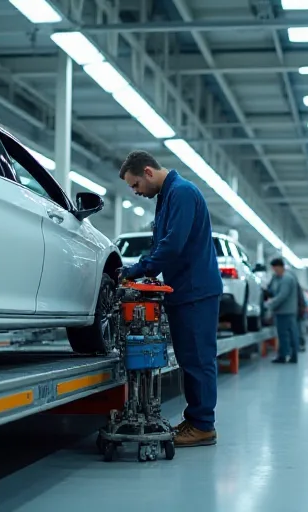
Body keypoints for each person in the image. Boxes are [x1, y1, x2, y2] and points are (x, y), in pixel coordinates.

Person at [117, 150, 222, 448]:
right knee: (190, 358)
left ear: (148, 172)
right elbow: (163, 243)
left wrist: (137, 270)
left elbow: (172, 245)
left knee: (198, 359)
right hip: (184, 289)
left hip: (196, 291)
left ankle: (203, 425)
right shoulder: (167, 197)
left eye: (135, 185)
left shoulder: (182, 193)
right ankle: (196, 419)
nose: (136, 192)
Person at [265, 257, 300, 364]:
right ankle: (287, 355)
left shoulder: (287, 279)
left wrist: (270, 304)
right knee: (284, 334)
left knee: (286, 335)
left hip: (286, 311)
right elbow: (272, 290)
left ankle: (285, 356)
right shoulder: (278, 278)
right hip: (282, 311)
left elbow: (282, 295)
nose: (274, 271)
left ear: (280, 267)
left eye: (275, 268)